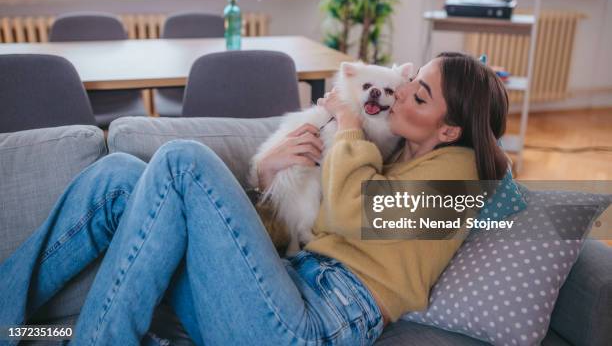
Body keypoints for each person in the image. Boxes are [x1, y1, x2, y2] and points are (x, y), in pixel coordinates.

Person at [0, 52, 509, 345]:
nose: (400, 94)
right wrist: (270, 173)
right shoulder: (398, 152)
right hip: (283, 288)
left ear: (450, 131)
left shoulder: (460, 183)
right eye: (411, 83)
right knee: (117, 176)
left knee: (183, 160)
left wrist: (350, 121)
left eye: (418, 96)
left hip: (315, 324)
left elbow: (357, 210)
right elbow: (318, 218)